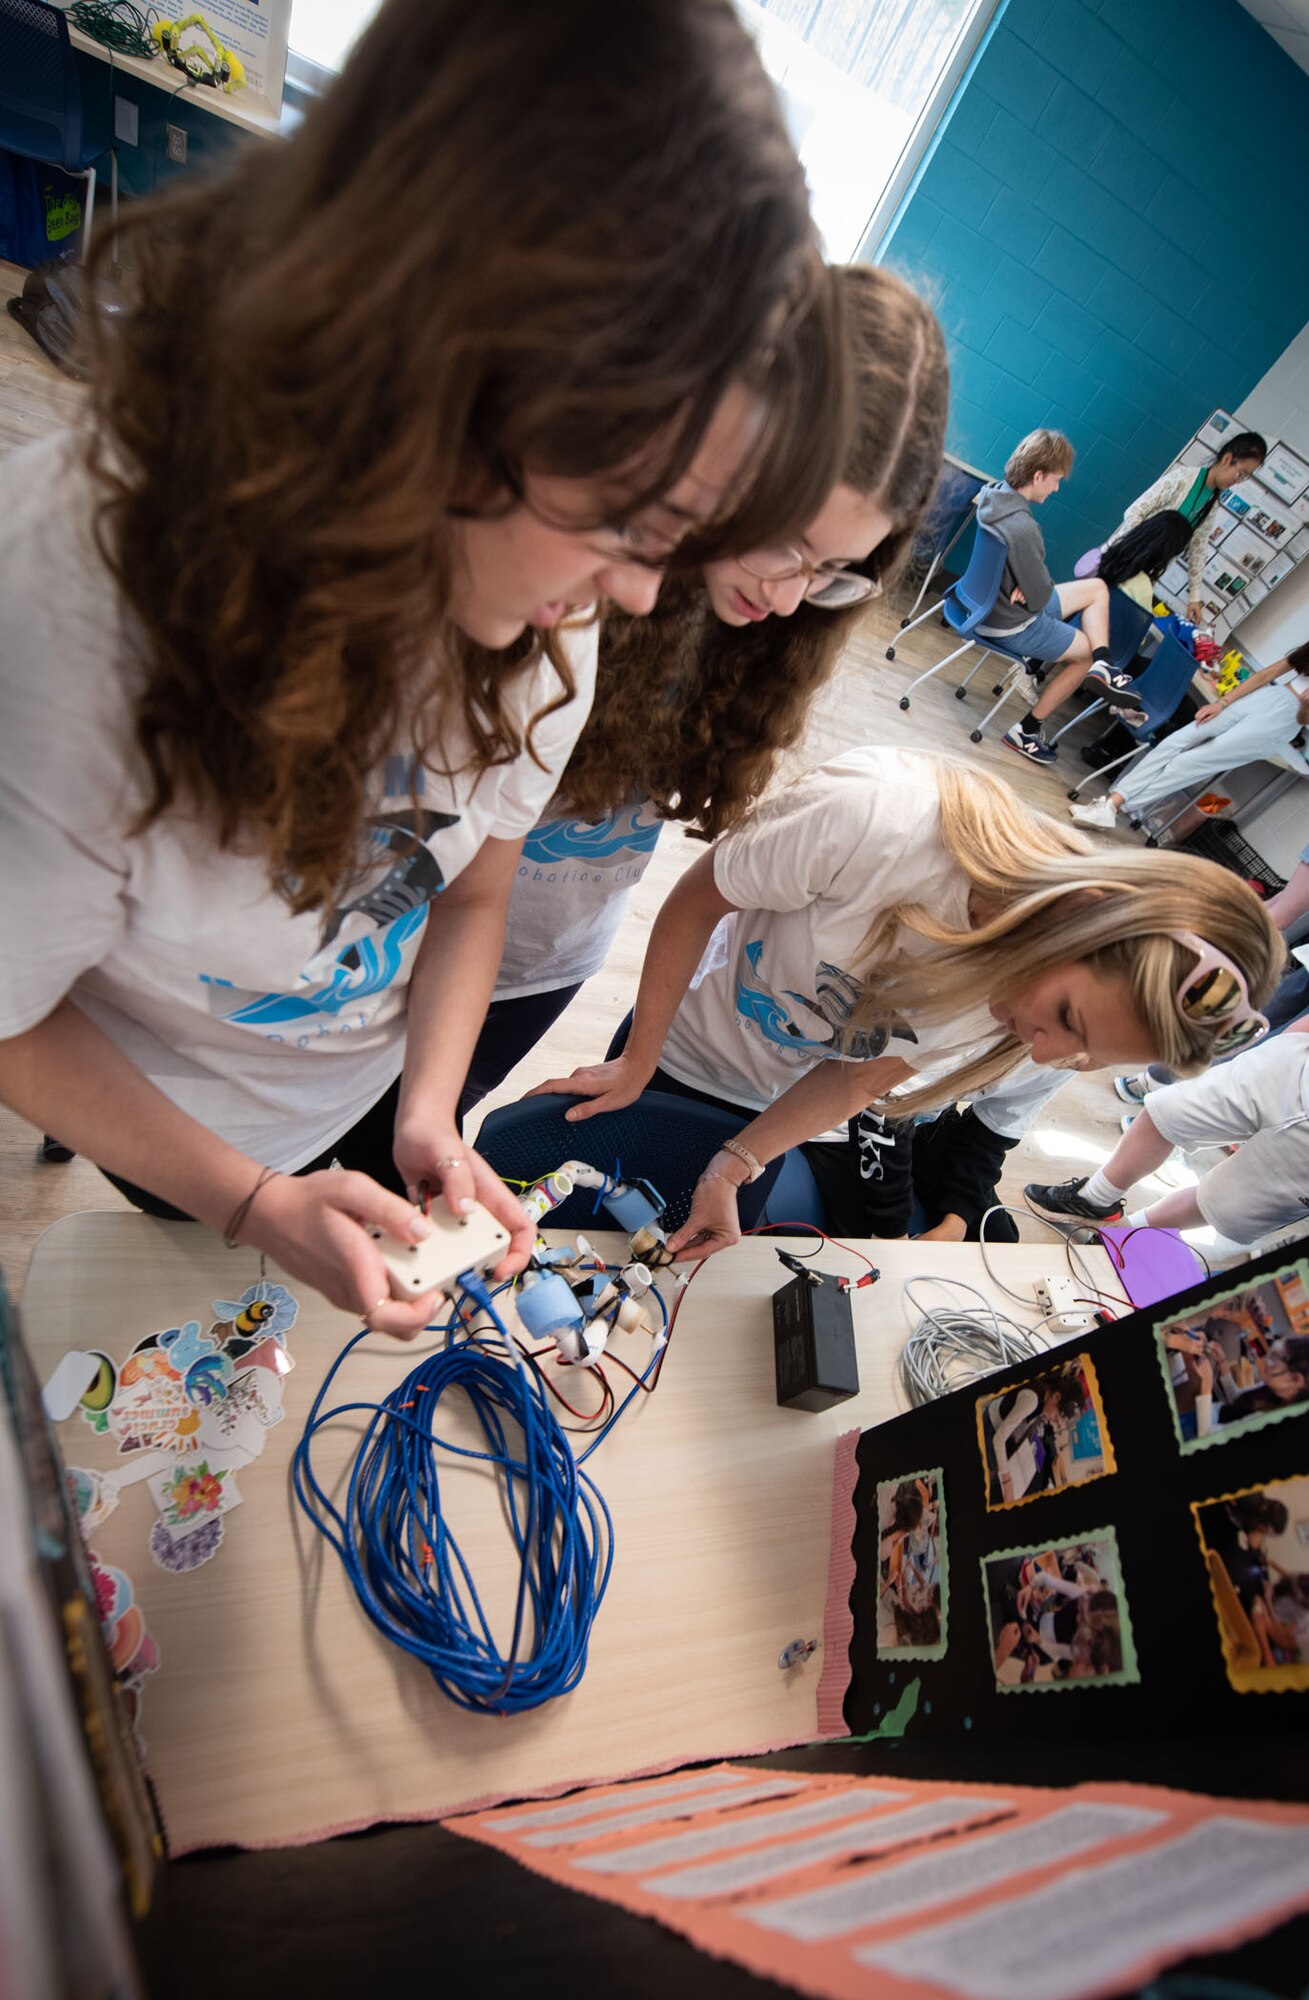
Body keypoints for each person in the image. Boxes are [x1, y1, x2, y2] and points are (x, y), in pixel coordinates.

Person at [0, 0, 847, 1339]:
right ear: (440, 379)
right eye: (631, 526)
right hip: (169, 1112)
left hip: (345, 1090)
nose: (634, 598)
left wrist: (429, 1111)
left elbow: (472, 889)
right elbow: (14, 1019)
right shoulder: (57, 641)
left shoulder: (539, 599)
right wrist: (246, 1201)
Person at [457, 264, 948, 1123]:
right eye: (787, 544)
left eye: (835, 570)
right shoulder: (562, 575)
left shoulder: (768, 618)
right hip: (416, 925)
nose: (793, 598)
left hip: (543, 954)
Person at [531, 749, 1283, 1262]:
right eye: (1065, 1022)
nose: (1046, 1053)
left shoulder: (1042, 987)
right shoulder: (876, 822)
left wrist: (735, 1164)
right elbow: (695, 904)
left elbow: (857, 1080)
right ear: (1081, 909)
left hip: (771, 1103)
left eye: (1084, 1059)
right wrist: (636, 1062)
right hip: (682, 1040)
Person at [1026, 1014, 1308, 1252]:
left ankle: (1122, 1238)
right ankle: (1094, 1199)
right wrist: (1293, 1041)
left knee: (1221, 1203)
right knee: (1169, 1110)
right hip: (1298, 1064)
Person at [961, 429, 1126, 769]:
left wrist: (1029, 581)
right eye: (1055, 480)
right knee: (1083, 658)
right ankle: (1026, 731)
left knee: (1097, 588)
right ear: (1038, 476)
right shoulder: (1023, 528)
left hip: (988, 601)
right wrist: (1031, 584)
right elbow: (1037, 599)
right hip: (1008, 620)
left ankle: (1105, 664)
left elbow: (1036, 588)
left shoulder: (993, 495)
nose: (1056, 488)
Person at [802, 1058, 1067, 1242]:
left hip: (924, 1115)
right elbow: (878, 1112)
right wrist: (891, 1231)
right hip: (845, 1116)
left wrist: (956, 1223)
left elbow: (989, 1136)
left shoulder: (1075, 1057)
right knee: (868, 1261)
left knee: (998, 1242)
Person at [1069, 641, 1309, 829]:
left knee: (1188, 763)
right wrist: (1223, 703)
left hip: (1282, 722)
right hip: (1265, 698)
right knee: (1174, 743)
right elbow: (1265, 675)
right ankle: (1110, 805)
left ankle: (1114, 808)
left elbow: (1304, 720)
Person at [1098, 431, 1268, 627]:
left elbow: (1198, 551)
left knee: (1111, 625)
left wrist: (1194, 598)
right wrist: (1144, 545)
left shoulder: (1211, 505)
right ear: (1228, 459)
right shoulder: (1183, 478)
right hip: (1121, 560)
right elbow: (1134, 512)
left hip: (1144, 575)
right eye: (1241, 473)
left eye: (1245, 477)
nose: (1238, 481)